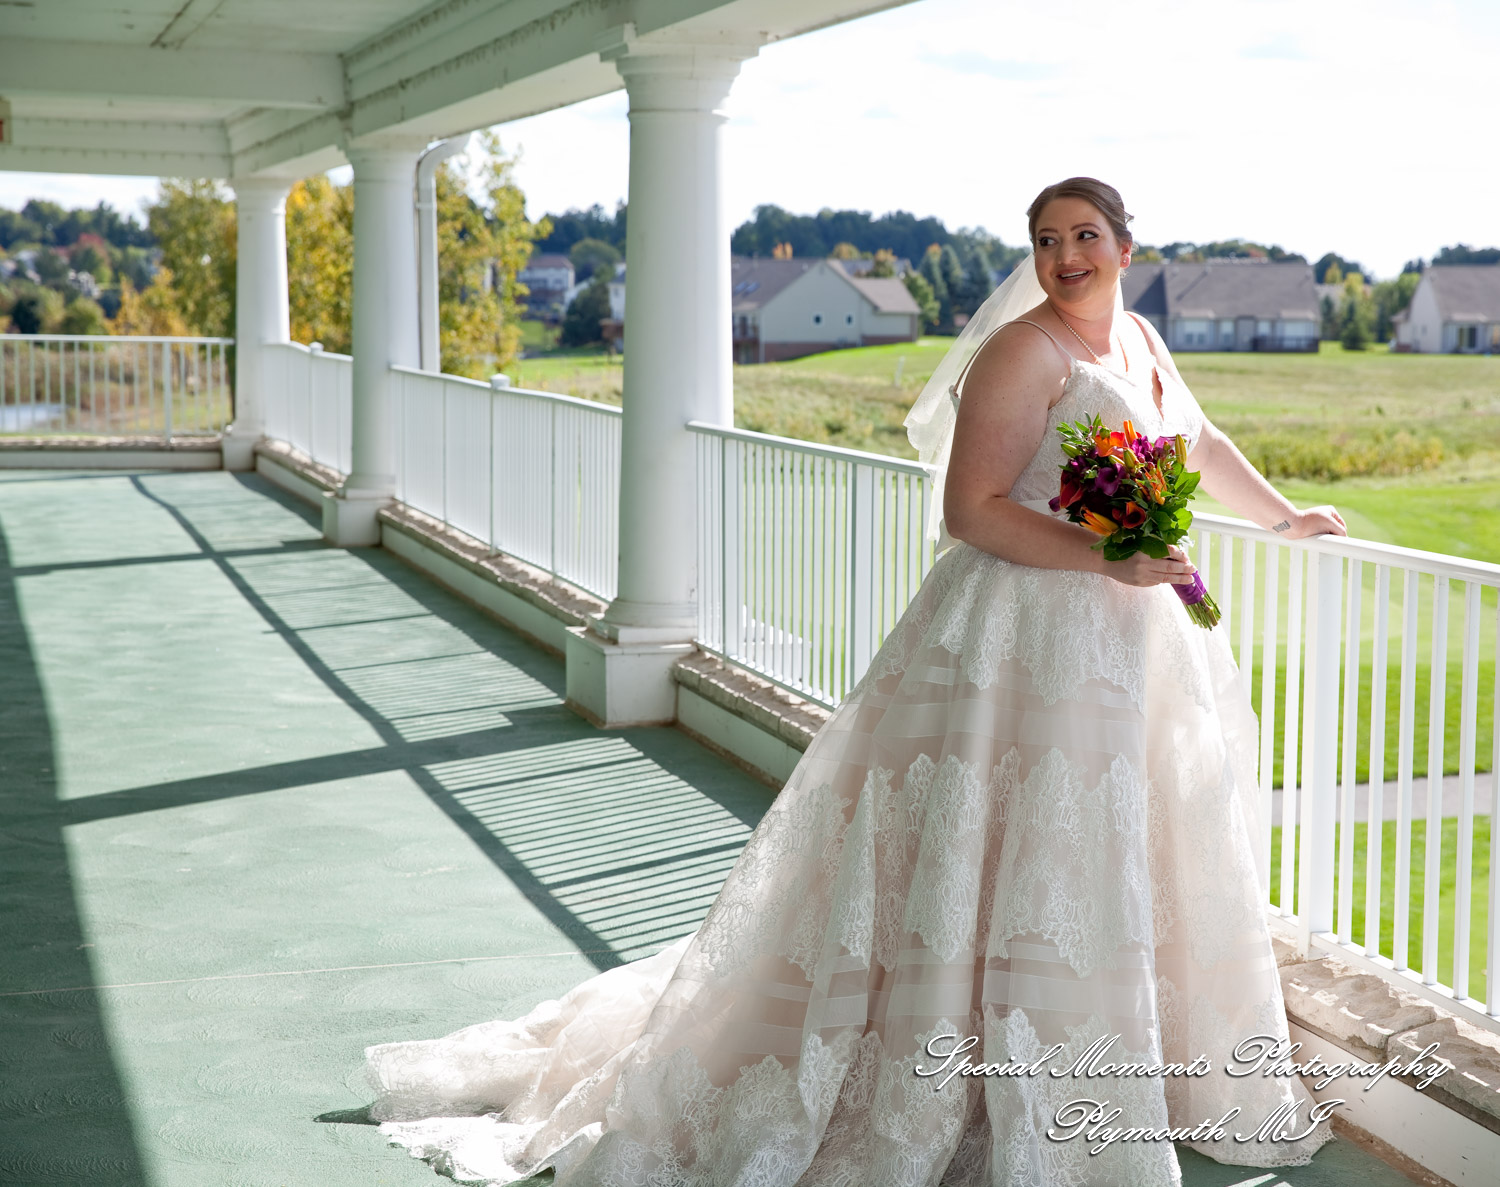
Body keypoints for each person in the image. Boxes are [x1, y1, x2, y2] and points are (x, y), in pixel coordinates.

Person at [361, 178, 1345, 1186]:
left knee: (1106, 849)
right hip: (1022, 638)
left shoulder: (1138, 339)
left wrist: (1281, 516)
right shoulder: (1022, 351)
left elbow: (1201, 439)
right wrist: (1110, 558)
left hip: (1132, 641)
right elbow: (972, 511)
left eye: (1085, 235)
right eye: (1047, 239)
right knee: (994, 845)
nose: (1065, 256)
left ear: (1127, 246)